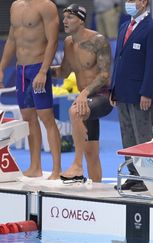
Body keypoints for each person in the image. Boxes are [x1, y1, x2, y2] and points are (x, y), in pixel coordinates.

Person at [50, 4, 113, 183]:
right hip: (85, 99)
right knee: (91, 151)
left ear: (81, 20)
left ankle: (77, 165)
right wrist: (43, 71)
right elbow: (63, 71)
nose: (65, 21)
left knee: (74, 111)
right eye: (64, 17)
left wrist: (84, 93)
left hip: (102, 97)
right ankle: (97, 189)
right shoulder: (69, 43)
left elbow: (105, 75)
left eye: (70, 17)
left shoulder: (98, 41)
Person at [0, 0, 61, 179]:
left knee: (46, 117)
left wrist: (43, 71)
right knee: (28, 118)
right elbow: (12, 38)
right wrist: (2, 67)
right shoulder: (15, 6)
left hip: (37, 68)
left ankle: (57, 169)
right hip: (21, 70)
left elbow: (53, 40)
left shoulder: (46, 6)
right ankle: (35, 167)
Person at [110, 0, 153, 192]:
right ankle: (133, 174)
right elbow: (119, 59)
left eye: (132, 0)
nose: (128, 3)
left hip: (140, 93)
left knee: (142, 135)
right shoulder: (125, 26)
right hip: (123, 91)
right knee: (127, 134)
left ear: (143, 2)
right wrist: (113, 88)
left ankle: (147, 177)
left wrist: (147, 92)